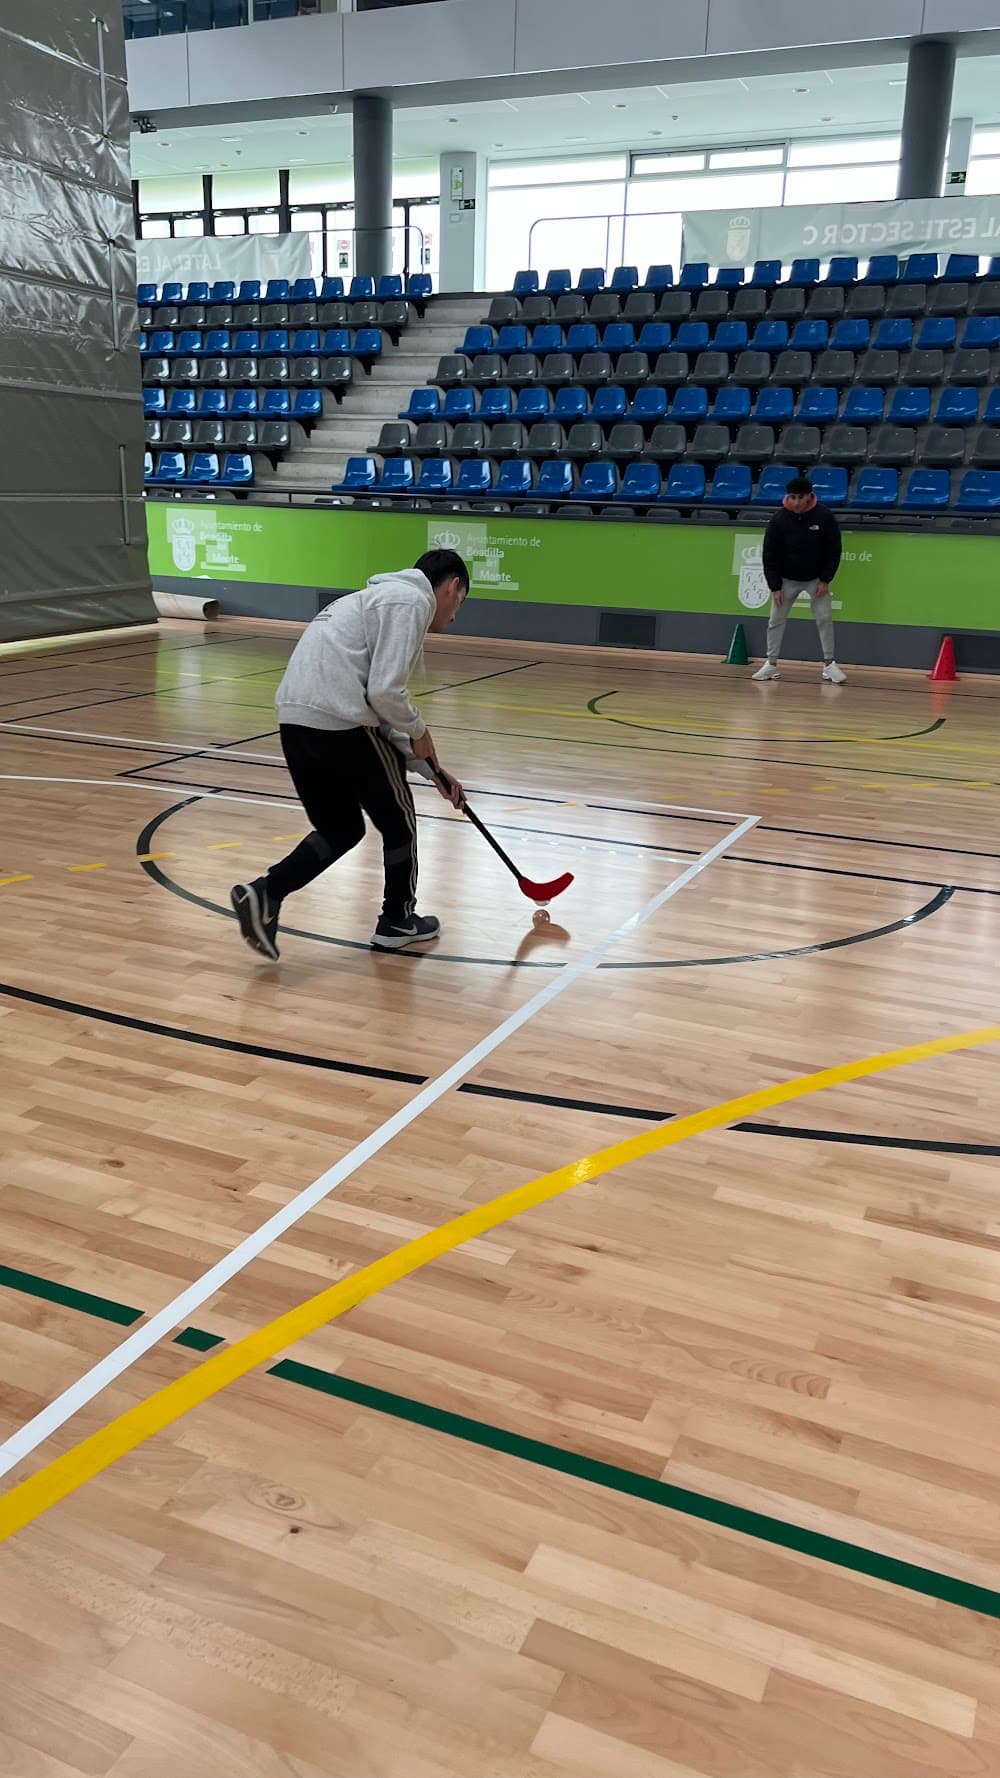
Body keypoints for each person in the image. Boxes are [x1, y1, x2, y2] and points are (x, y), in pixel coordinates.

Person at [230, 548, 469, 960]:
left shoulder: (368, 600)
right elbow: (385, 694)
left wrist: (431, 771)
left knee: (340, 829)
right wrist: (420, 731)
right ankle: (397, 920)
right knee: (400, 823)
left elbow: (377, 710)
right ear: (451, 587)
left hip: (296, 722)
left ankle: (265, 893)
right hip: (341, 723)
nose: (453, 616)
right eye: (459, 604)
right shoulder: (411, 601)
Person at [752, 476, 846, 684]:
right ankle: (771, 664)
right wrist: (775, 586)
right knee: (775, 620)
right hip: (786, 580)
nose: (795, 502)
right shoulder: (778, 519)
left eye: (800, 497)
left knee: (824, 618)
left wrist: (825, 579)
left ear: (809, 496)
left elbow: (834, 550)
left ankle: (829, 665)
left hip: (816, 580)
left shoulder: (824, 516)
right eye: (792, 497)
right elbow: (769, 554)